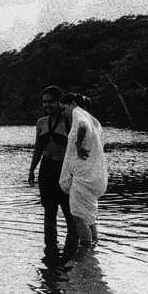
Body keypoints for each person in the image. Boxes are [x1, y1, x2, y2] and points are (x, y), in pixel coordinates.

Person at [28, 85, 77, 261]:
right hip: (46, 169)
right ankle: (50, 253)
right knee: (49, 212)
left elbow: (77, 146)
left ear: (59, 102)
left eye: (50, 102)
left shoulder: (68, 121)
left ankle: (72, 254)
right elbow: (38, 148)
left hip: (64, 169)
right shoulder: (41, 123)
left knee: (68, 211)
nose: (47, 105)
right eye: (44, 102)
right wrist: (31, 170)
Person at [58, 93, 108, 255]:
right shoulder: (91, 119)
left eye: (63, 108)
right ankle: (93, 252)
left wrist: (78, 144)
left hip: (82, 176)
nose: (63, 112)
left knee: (78, 216)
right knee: (89, 217)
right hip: (89, 175)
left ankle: (85, 253)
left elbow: (82, 126)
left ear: (71, 104)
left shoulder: (78, 114)